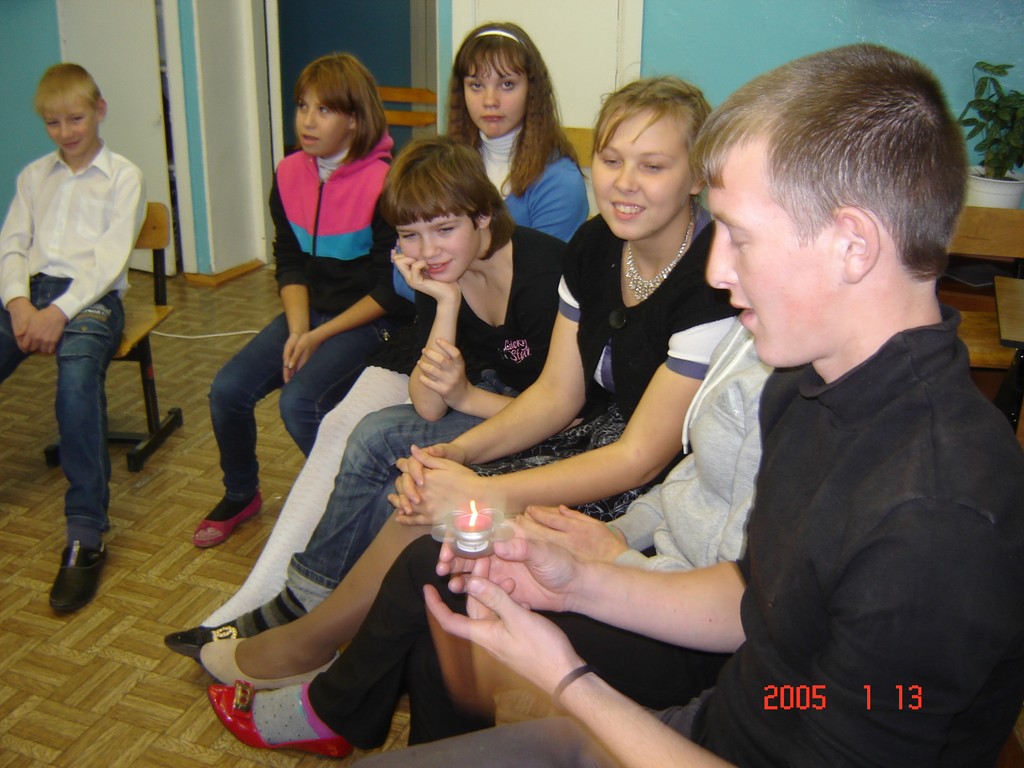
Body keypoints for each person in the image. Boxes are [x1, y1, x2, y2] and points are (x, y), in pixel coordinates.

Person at [354, 43, 1024, 767]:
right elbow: (754, 602)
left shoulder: (935, 517)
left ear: (852, 244)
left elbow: (813, 714)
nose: (717, 267)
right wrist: (585, 582)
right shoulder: (806, 387)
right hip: (710, 723)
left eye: (742, 236)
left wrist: (568, 681)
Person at [186, 72, 734, 714]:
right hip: (596, 434)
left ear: (697, 176)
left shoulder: (712, 277)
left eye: (653, 165)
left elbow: (639, 457)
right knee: (426, 498)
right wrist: (459, 455)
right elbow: (556, 394)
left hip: (664, 477)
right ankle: (321, 648)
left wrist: (483, 491)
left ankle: (317, 657)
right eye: (611, 161)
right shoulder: (594, 244)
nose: (625, 182)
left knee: (452, 517)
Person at [204, 319, 769, 759]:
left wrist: (615, 560)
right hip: (644, 560)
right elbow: (691, 483)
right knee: (449, 598)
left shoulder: (789, 394)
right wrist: (615, 532)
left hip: (691, 633)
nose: (720, 268)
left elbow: (744, 600)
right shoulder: (747, 341)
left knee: (437, 563)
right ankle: (374, 719)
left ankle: (333, 705)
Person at [193, 20, 589, 620]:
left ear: (484, 216)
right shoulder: (440, 269)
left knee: (379, 441)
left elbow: (564, 412)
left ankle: (308, 605)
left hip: (548, 418)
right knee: (358, 434)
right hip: (496, 387)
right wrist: (445, 304)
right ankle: (304, 599)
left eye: (444, 229)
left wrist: (466, 394)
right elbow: (429, 405)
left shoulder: (543, 273)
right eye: (410, 236)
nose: (426, 251)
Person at [193, 52, 413, 548]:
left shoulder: (386, 182)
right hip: (311, 314)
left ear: (354, 119)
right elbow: (288, 259)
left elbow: (388, 290)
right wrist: (298, 330)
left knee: (300, 403)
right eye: (302, 107)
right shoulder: (289, 172)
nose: (307, 121)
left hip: (373, 320)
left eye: (324, 110)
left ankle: (349, 505)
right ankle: (241, 493)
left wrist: (318, 335)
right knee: (227, 390)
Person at [0, 63, 145, 614]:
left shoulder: (123, 176)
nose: (65, 132)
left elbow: (107, 262)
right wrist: (18, 302)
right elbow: (12, 245)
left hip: (91, 299)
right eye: (53, 123)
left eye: (76, 119)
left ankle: (86, 531)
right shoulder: (33, 176)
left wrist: (58, 313)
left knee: (77, 381)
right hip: (29, 294)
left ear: (99, 110)